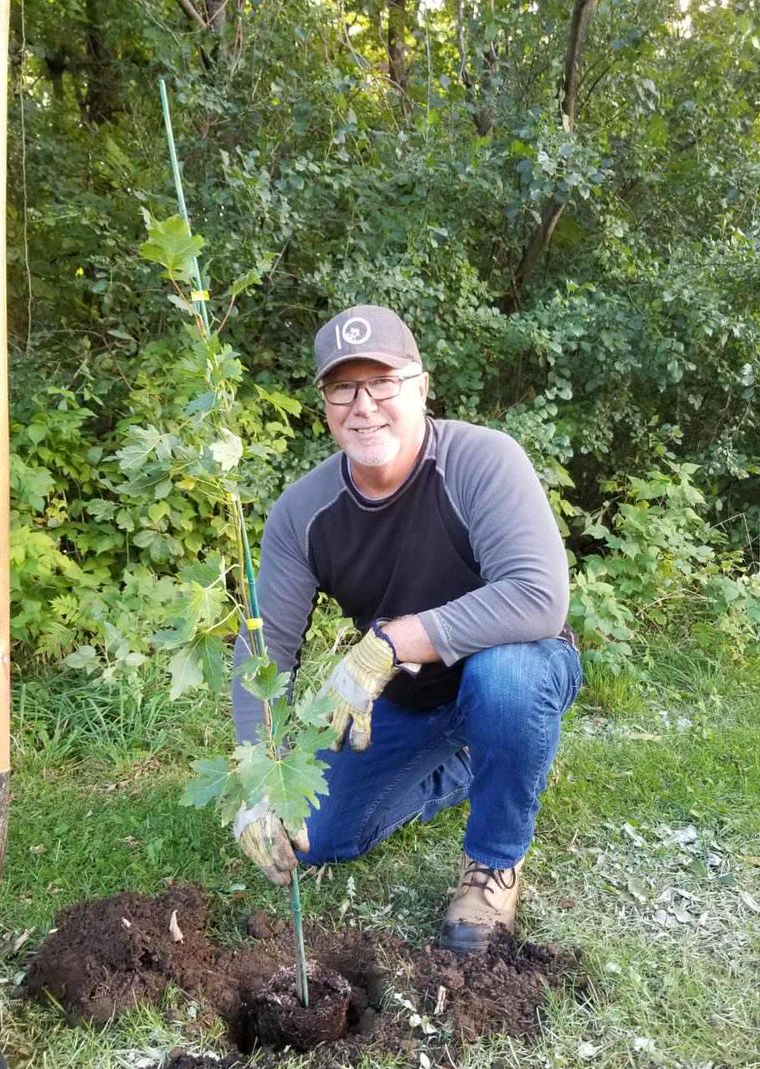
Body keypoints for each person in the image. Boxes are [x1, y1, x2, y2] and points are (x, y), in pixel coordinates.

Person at [231, 304, 581, 954]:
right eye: (343, 387)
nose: (364, 406)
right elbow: (263, 650)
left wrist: (388, 643)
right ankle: (470, 763)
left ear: (420, 387)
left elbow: (538, 599)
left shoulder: (481, 460)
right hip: (412, 700)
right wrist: (259, 781)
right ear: (326, 403)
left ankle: (493, 865)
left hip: (516, 667)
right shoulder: (303, 513)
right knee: (319, 835)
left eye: (383, 382)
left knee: (505, 679)